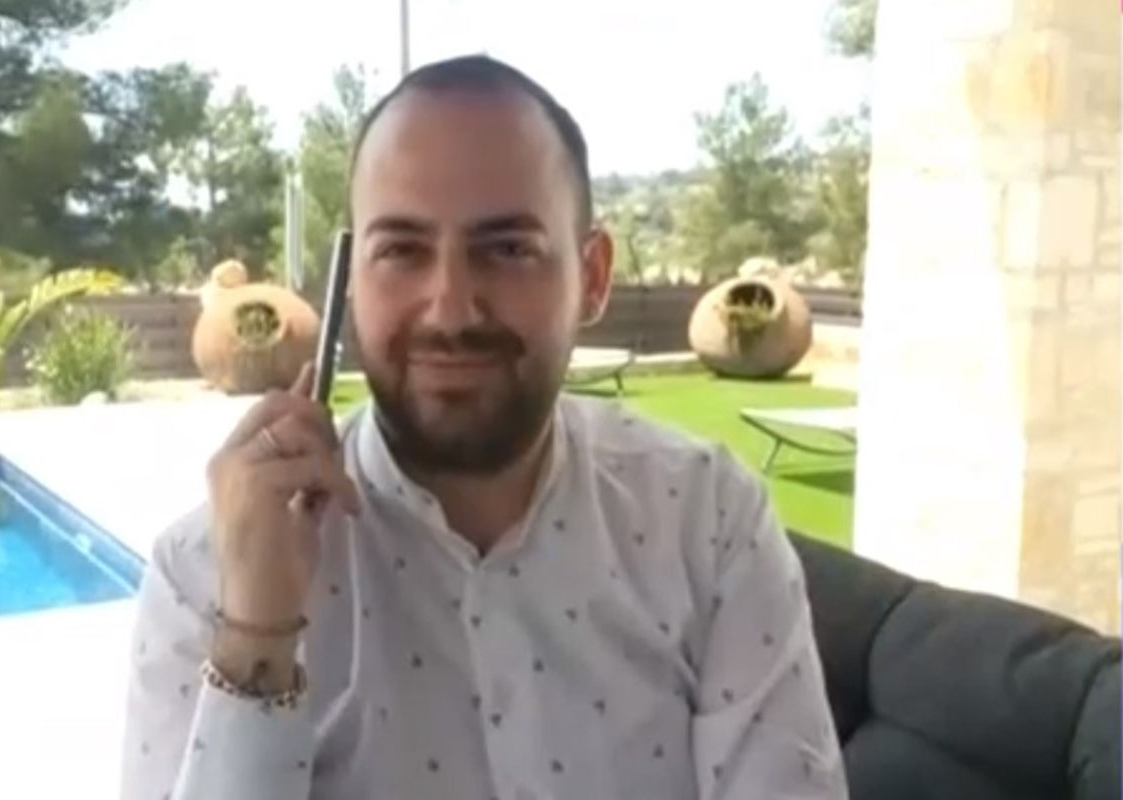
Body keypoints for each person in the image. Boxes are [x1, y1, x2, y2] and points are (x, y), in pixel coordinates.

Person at [120, 54, 848, 800]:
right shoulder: (203, 575)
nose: (451, 310)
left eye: (507, 250)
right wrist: (256, 638)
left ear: (593, 277)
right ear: (352, 278)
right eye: (401, 251)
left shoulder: (708, 522)